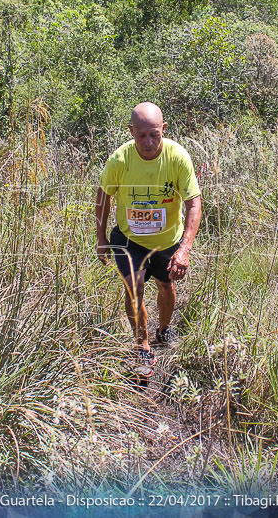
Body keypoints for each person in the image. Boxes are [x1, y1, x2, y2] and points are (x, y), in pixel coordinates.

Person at [95, 102, 202, 371]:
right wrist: (100, 237)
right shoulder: (120, 160)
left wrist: (184, 249)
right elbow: (103, 197)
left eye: (155, 134)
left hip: (167, 240)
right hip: (129, 240)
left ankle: (164, 329)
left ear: (164, 129)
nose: (148, 141)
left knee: (166, 287)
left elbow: (194, 203)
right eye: (141, 135)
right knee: (135, 287)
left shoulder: (177, 157)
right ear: (131, 131)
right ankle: (142, 346)